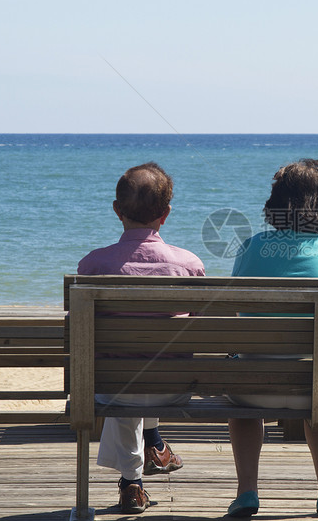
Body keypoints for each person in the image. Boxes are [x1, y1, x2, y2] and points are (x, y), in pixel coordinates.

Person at [226, 159, 318, 518]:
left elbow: (238, 311)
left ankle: (246, 493)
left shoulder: (250, 248)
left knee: (243, 394)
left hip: (254, 386)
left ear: (275, 204)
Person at [77, 162, 205, 514]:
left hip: (113, 385)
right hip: (174, 387)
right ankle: (155, 445)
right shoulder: (189, 265)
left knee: (123, 373)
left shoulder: (93, 266)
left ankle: (133, 482)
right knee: (150, 363)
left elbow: (82, 335)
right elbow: (199, 330)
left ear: (117, 211)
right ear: (165, 214)